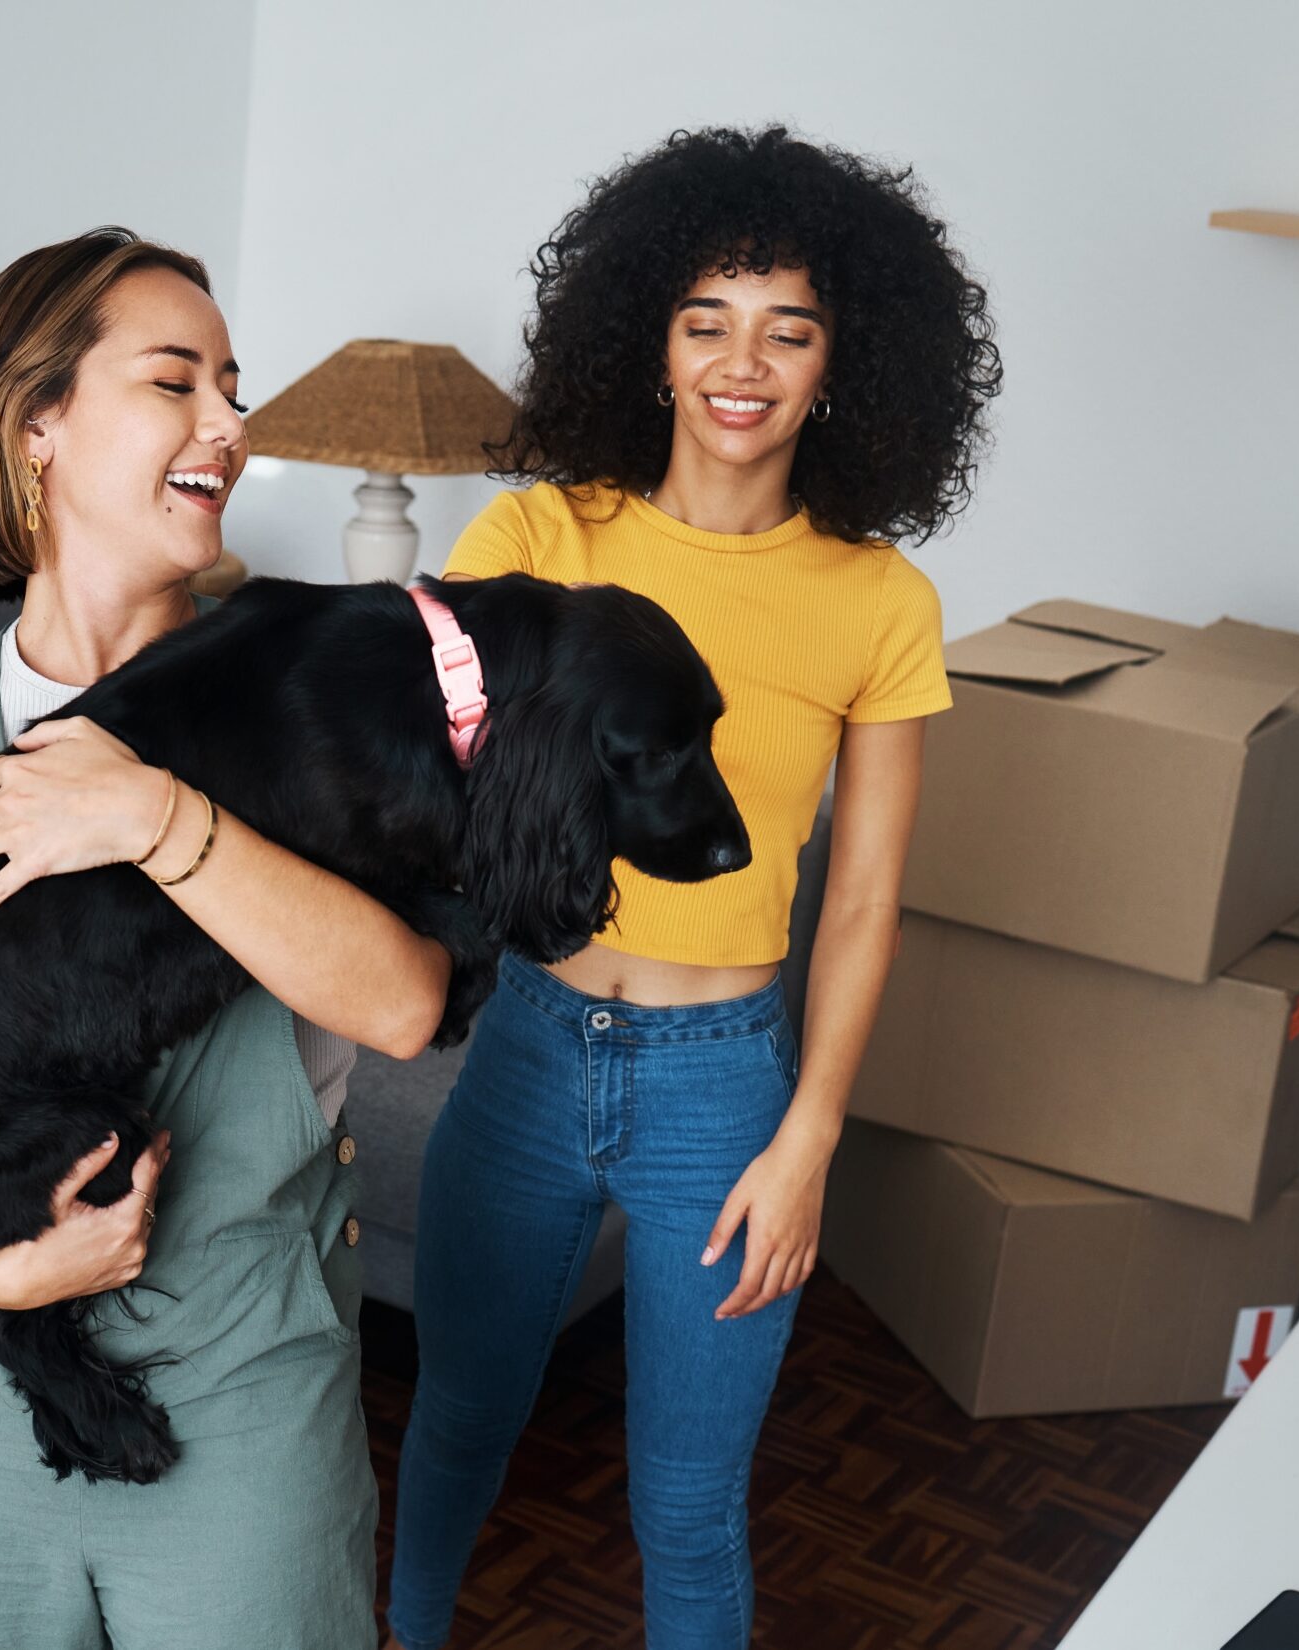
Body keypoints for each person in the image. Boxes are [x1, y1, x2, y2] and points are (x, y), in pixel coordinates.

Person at [0, 226, 445, 1650]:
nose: (231, 425)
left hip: (249, 1381)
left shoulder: (318, 701)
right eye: (176, 381)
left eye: (234, 386)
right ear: (39, 425)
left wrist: (151, 815)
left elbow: (405, 1003)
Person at [384, 127, 1003, 1650]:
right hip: (527, 1049)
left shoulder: (880, 600)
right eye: (706, 321)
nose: (744, 364)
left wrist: (811, 1137)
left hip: (724, 1088)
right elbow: (437, 778)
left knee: (688, 1496)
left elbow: (860, 902)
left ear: (840, 364)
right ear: (649, 343)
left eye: (789, 330)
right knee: (457, 1420)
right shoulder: (539, 534)